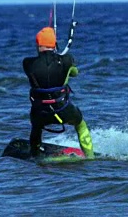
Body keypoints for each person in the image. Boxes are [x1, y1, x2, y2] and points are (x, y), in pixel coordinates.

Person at [22, 26, 94, 158]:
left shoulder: (27, 63)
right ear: (54, 44)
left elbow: (42, 67)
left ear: (38, 44)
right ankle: (90, 157)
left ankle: (35, 156)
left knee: (36, 128)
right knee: (80, 124)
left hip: (41, 113)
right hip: (64, 110)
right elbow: (75, 73)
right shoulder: (66, 60)